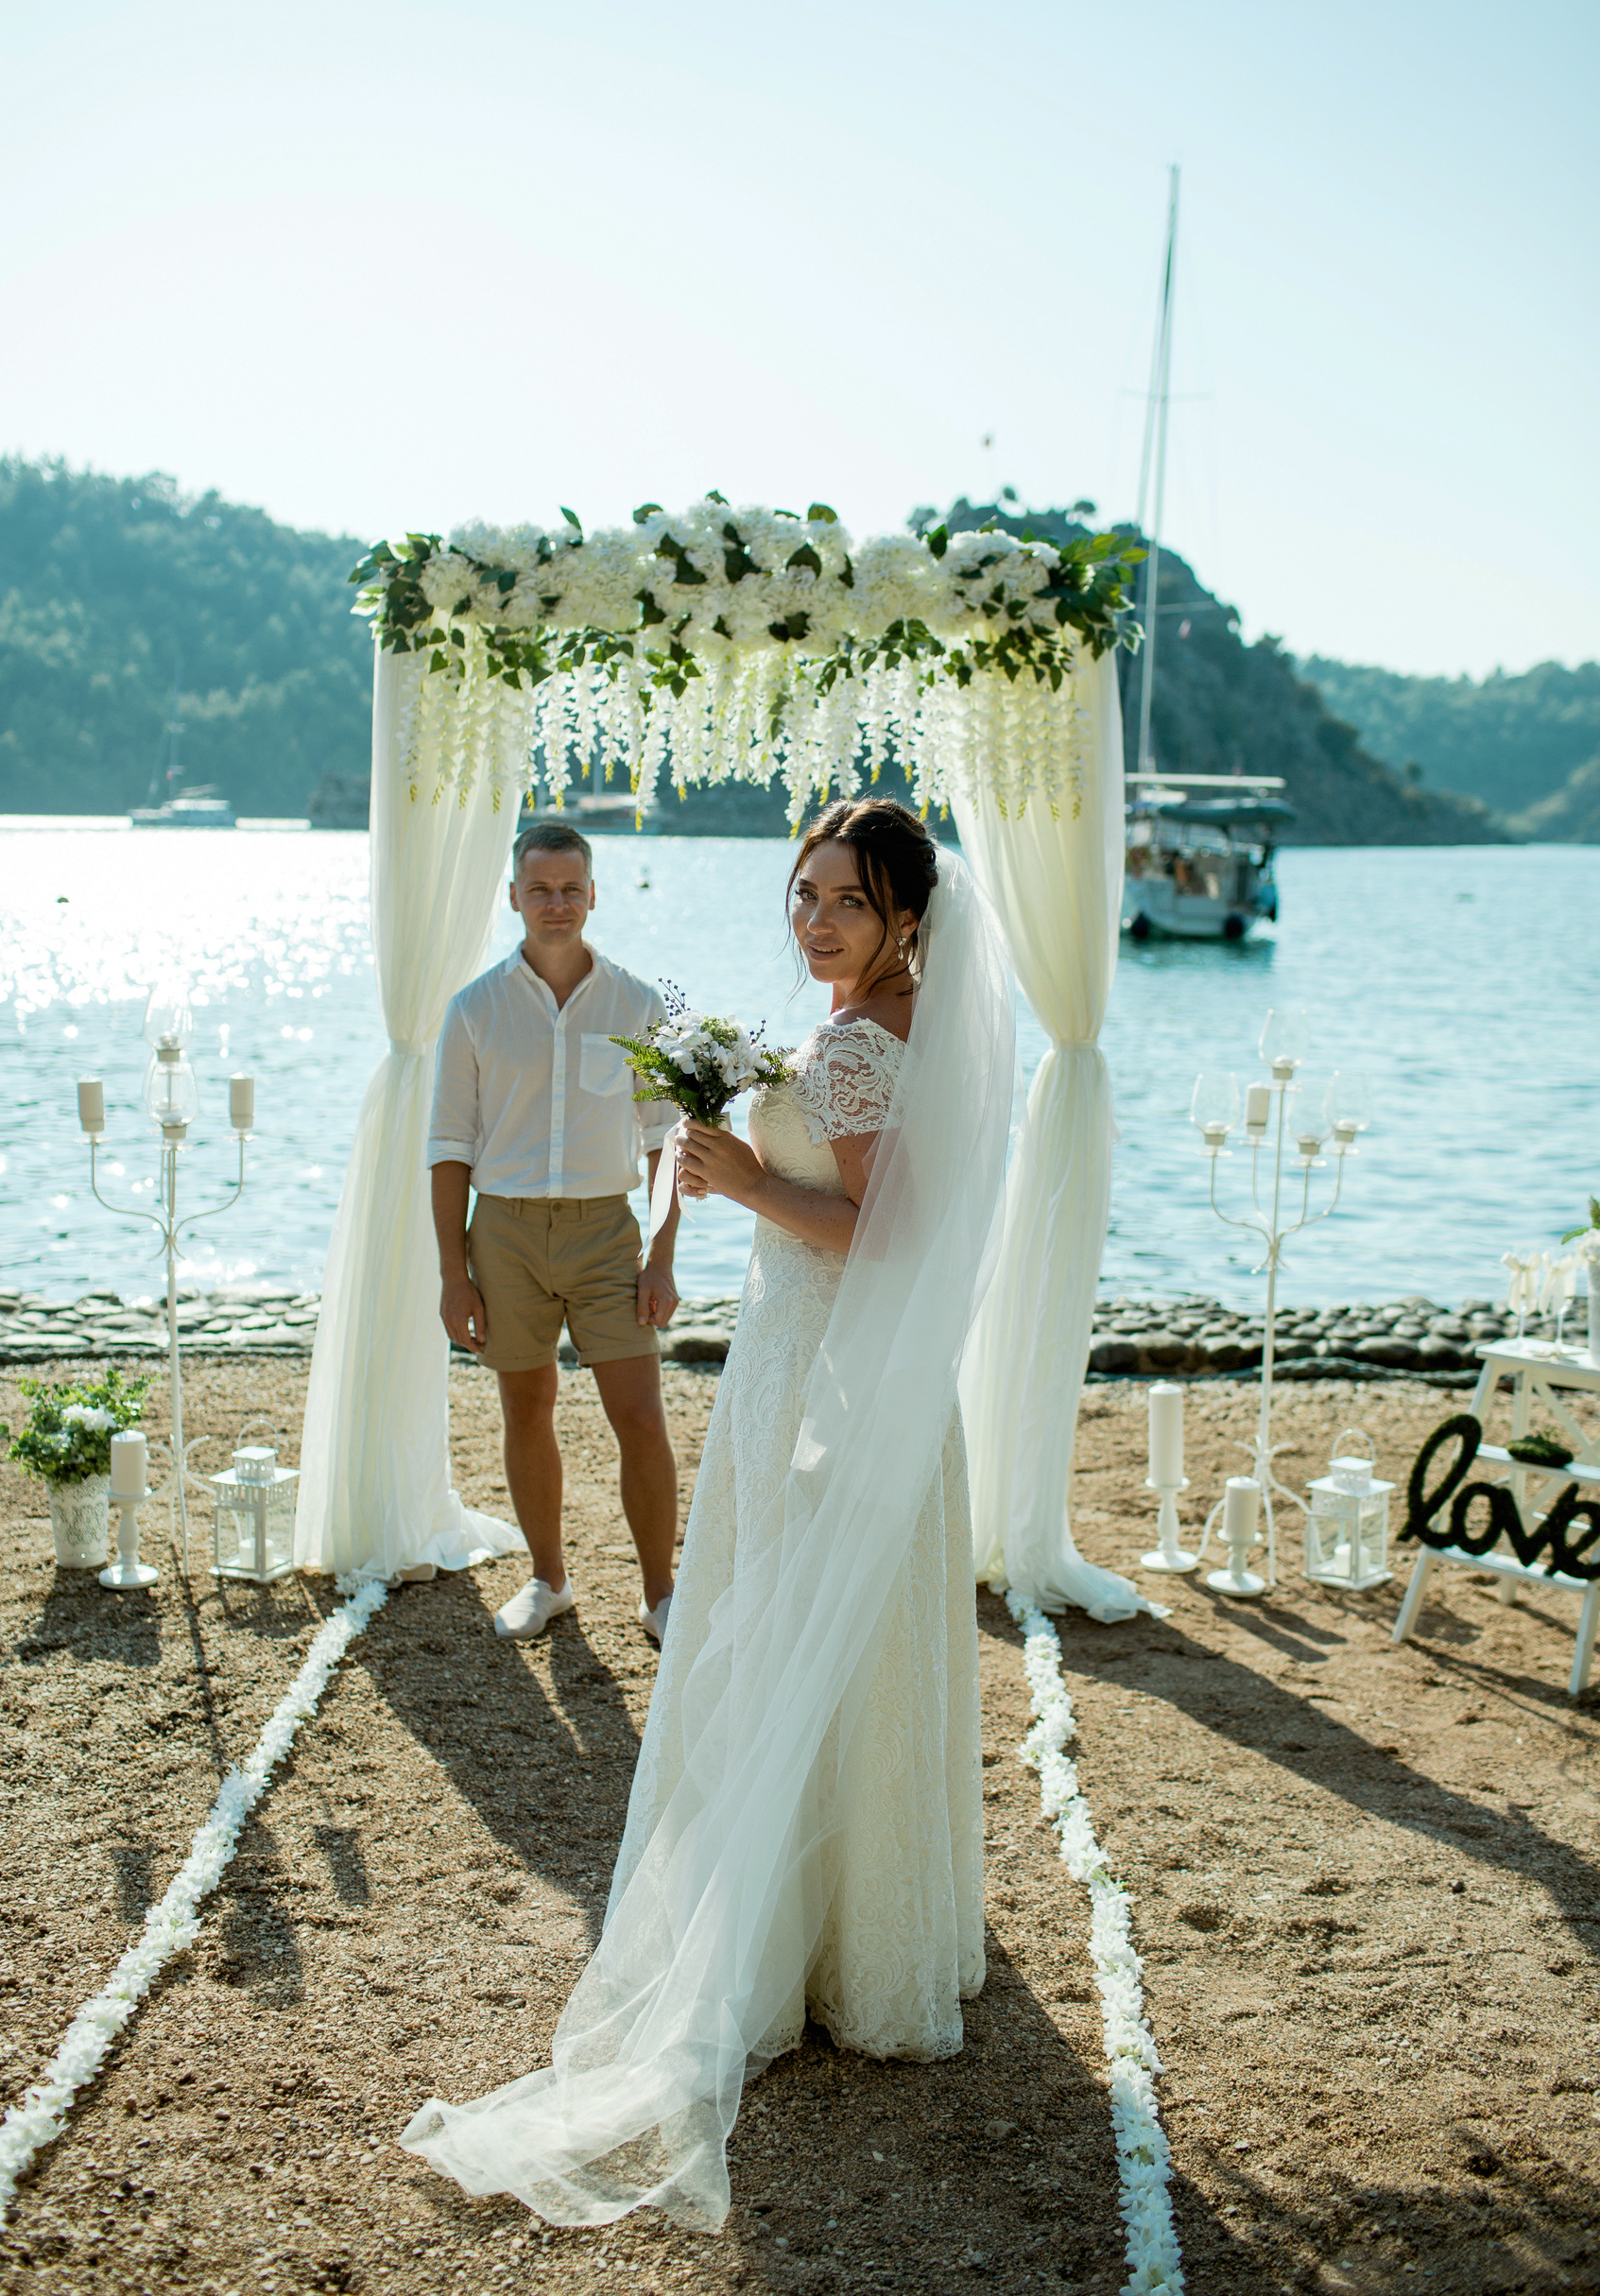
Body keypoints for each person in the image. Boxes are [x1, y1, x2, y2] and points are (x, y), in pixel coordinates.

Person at [404, 799, 1016, 2227]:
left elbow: (887, 1234)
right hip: (876, 1388)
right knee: (846, 1635)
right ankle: (872, 1936)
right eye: (803, 895)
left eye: (847, 904)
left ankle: (784, 1944)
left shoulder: (863, 1040)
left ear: (908, 919)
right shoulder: (909, 1022)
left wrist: (741, 1180)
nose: (815, 923)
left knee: (783, 1626)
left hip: (818, 1373)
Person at [427, 821, 681, 1644]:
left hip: (607, 1234)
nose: (556, 904)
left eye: (571, 888)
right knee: (525, 1406)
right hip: (500, 1233)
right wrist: (452, 1275)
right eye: (539, 889)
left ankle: (660, 1595)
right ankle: (548, 1580)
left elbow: (666, 1144)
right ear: (512, 897)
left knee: (639, 1416)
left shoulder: (637, 1004)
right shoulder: (473, 1009)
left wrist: (661, 1256)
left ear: (593, 894)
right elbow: (448, 1151)